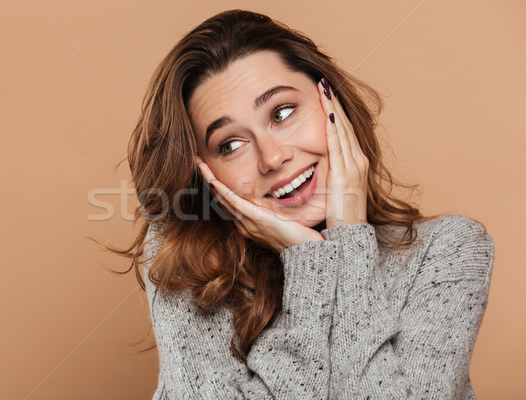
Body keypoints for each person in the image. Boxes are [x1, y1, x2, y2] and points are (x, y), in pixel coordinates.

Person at [110, 9, 495, 399]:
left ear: (332, 101)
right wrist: (310, 264)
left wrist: (347, 240)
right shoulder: (188, 264)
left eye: (282, 112)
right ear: (207, 173)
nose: (272, 158)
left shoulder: (448, 250)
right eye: (230, 144)